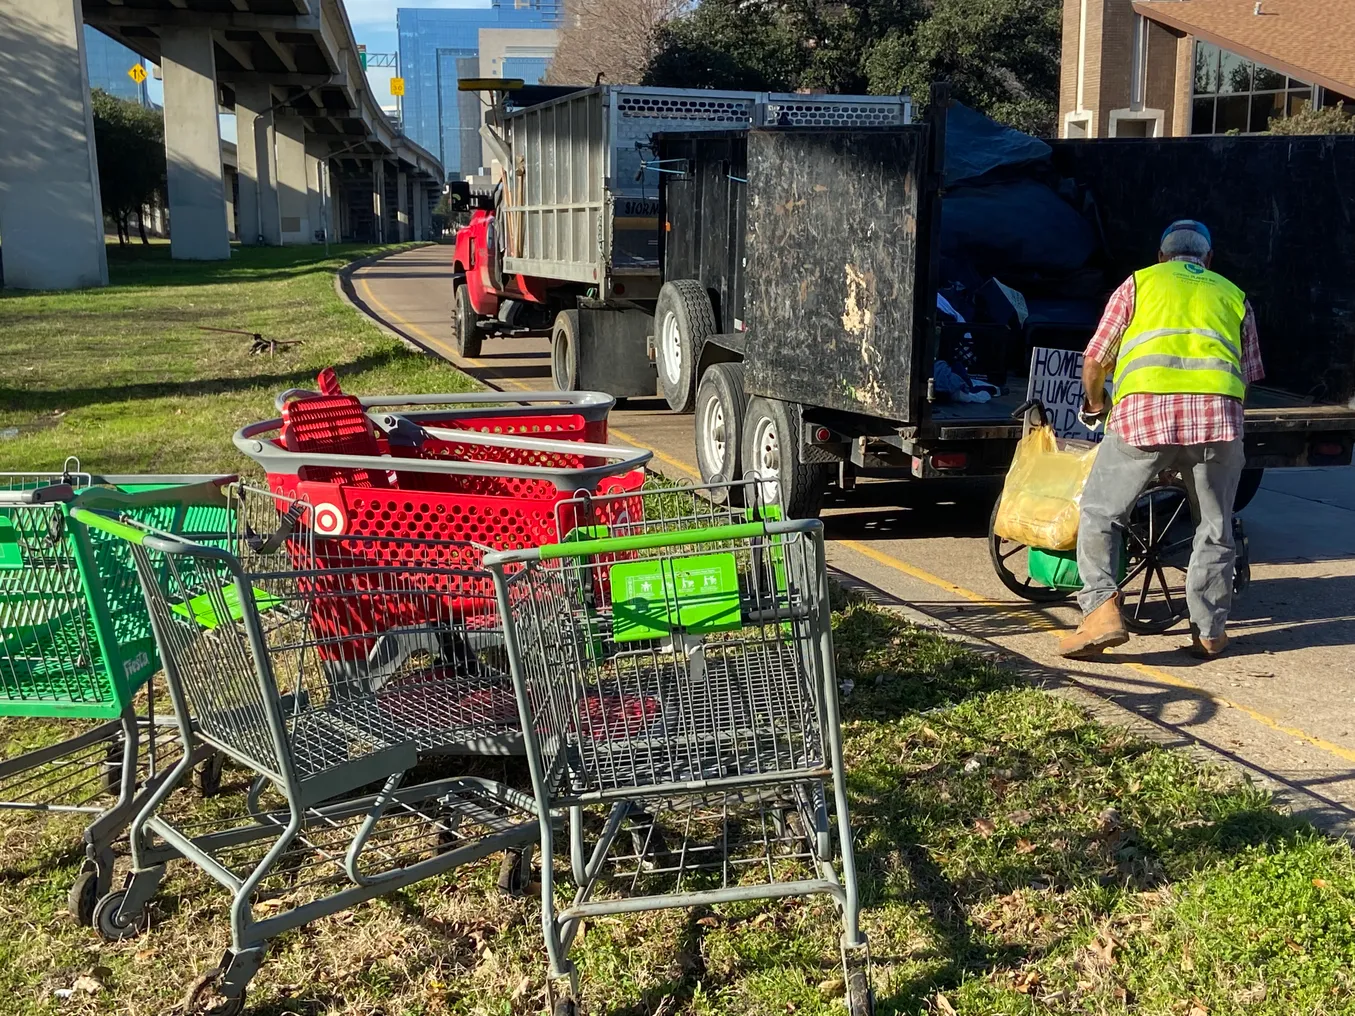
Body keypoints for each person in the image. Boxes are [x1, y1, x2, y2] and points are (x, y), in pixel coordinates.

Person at [1058, 220, 1264, 661]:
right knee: (1214, 525)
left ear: (1160, 256)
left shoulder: (1138, 285)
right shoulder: (1233, 294)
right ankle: (1209, 632)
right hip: (1218, 423)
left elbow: (1095, 361)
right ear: (1208, 259)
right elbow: (1247, 378)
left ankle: (1101, 613)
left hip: (1144, 419)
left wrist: (1096, 406)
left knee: (1100, 512)